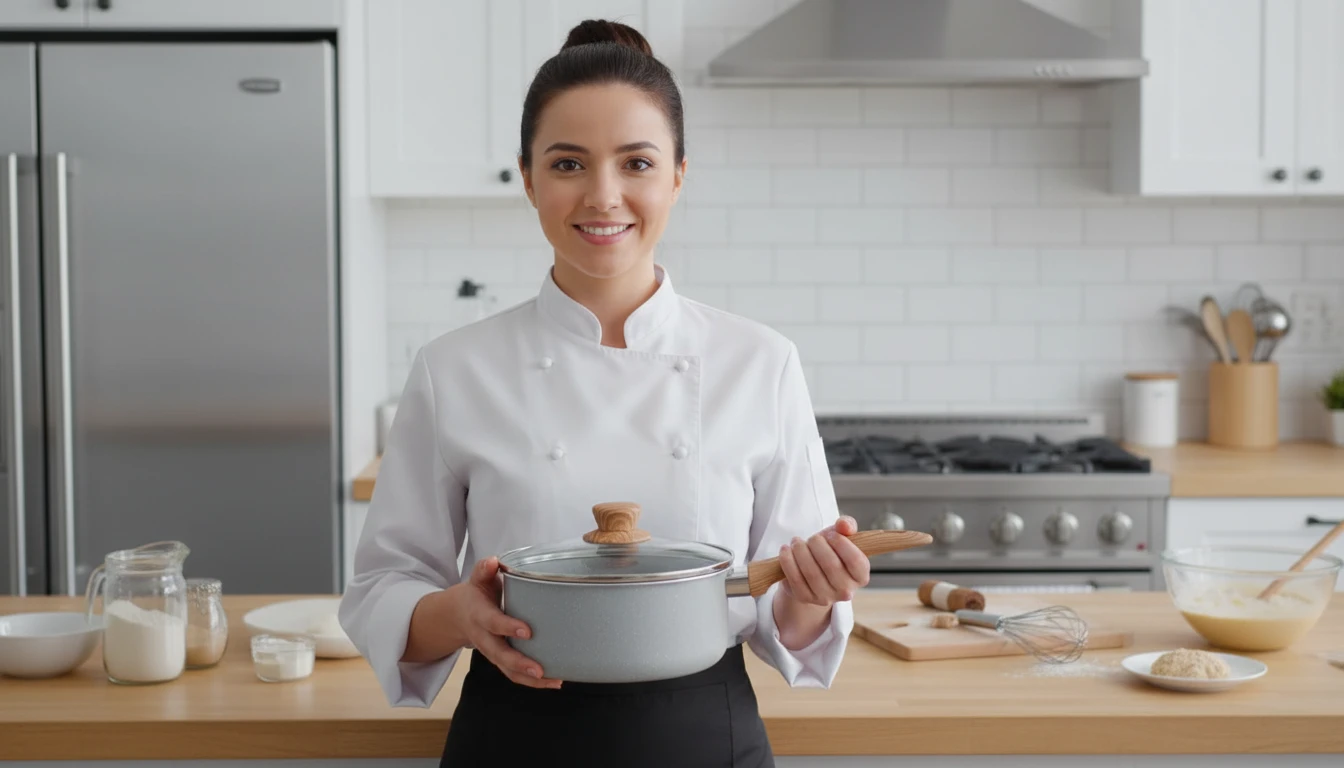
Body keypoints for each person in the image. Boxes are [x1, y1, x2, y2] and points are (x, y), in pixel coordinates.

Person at [339, 19, 870, 768]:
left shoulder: (760, 362)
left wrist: (817, 589)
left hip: (701, 736)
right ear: (527, 177)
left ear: (678, 175)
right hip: (513, 734)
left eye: (637, 163)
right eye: (567, 163)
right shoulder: (454, 367)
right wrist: (458, 615)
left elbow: (790, 620)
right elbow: (381, 591)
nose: (603, 196)